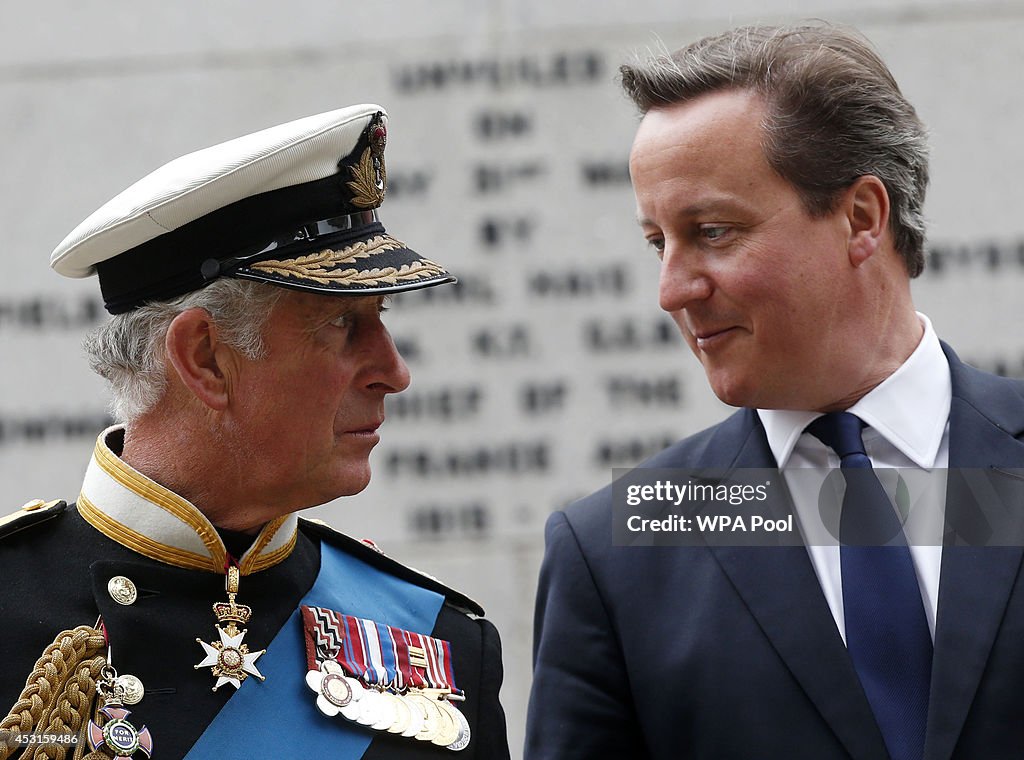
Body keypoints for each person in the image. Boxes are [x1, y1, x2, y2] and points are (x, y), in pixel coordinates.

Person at [527, 23, 1024, 760]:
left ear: (862, 218)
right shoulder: (613, 553)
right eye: (659, 243)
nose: (672, 290)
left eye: (714, 231)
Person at [0, 105, 509, 759]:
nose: (395, 371)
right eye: (342, 324)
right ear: (206, 358)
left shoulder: (443, 643)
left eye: (380, 317)